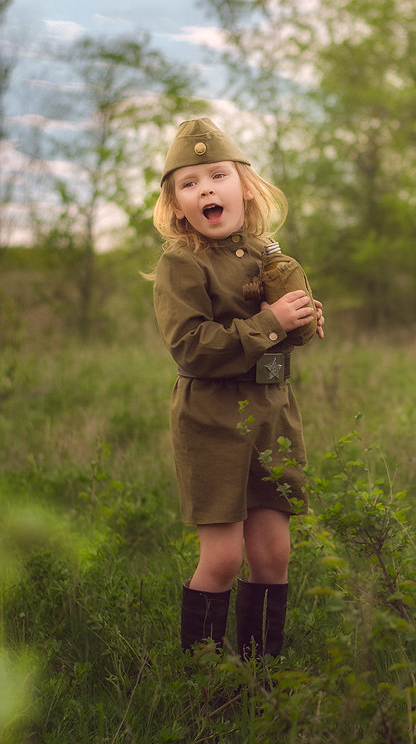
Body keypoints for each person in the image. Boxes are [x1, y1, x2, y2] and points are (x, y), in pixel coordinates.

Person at [150, 117, 324, 662]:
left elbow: (278, 340)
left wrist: (300, 324)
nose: (206, 189)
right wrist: (270, 321)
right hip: (212, 420)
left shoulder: (269, 258)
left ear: (243, 188)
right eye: (190, 182)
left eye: (217, 175)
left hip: (272, 413)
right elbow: (192, 348)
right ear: (178, 206)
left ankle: (262, 675)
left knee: (274, 552)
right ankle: (204, 682)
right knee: (223, 558)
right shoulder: (180, 263)